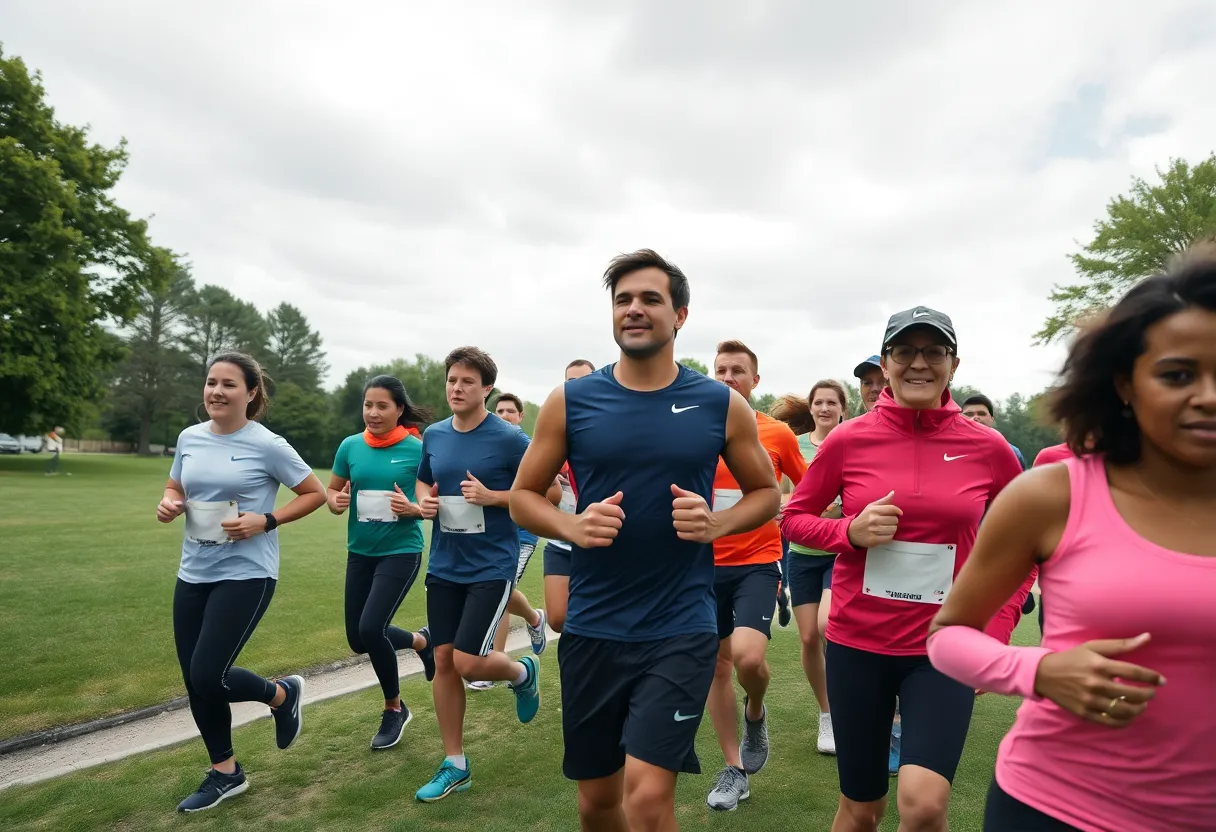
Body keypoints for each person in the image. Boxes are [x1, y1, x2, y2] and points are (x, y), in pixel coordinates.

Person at [927, 246, 1216, 831]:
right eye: (1178, 374)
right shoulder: (1051, 495)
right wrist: (1039, 671)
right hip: (1056, 808)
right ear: (1124, 385)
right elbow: (947, 636)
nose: (1208, 395)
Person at [510, 249, 781, 832]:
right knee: (597, 804)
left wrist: (716, 524)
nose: (634, 309)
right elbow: (523, 497)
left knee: (650, 797)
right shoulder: (571, 400)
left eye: (650, 299)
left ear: (680, 314)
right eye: (623, 300)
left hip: (679, 625)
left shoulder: (719, 402)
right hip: (593, 627)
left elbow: (767, 494)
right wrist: (572, 526)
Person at [780, 308, 1023, 832]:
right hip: (857, 648)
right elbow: (794, 519)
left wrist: (995, 630)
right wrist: (849, 532)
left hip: (941, 650)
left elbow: (1027, 546)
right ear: (885, 365)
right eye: (905, 352)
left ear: (953, 365)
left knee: (924, 804)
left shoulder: (989, 447)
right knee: (861, 808)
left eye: (933, 352)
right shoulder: (849, 440)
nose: (919, 363)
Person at [156, 353, 327, 813]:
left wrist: (266, 520)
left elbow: (316, 493)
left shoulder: (267, 444)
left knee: (208, 673)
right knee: (197, 682)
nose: (216, 391)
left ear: (251, 393)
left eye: (228, 384)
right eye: (211, 382)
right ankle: (226, 773)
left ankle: (281, 694)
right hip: (193, 572)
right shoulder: (189, 438)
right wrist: (170, 502)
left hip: (247, 574)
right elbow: (176, 486)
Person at [412, 346, 557, 803]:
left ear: (487, 389)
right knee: (443, 662)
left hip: (491, 566)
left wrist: (494, 496)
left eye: (467, 382)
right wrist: (425, 502)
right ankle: (455, 763)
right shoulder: (434, 435)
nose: (457, 388)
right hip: (444, 564)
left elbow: (549, 490)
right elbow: (423, 479)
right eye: (452, 380)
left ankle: (520, 672)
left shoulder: (510, 438)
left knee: (469, 662)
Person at [704, 339, 807, 811]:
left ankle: (756, 710)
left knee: (748, 659)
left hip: (757, 563)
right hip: (701, 566)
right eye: (721, 369)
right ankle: (734, 770)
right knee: (717, 666)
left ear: (754, 380)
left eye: (738, 371)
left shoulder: (777, 433)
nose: (728, 377)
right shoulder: (694, 429)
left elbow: (808, 489)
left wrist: (783, 504)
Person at [326, 375, 437, 749]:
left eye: (382, 406)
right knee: (358, 639)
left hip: (401, 550)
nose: (372, 413)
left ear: (399, 409)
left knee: (372, 628)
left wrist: (415, 510)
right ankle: (422, 642)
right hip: (359, 552)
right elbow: (333, 488)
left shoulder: (418, 450)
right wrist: (335, 500)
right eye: (368, 405)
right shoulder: (350, 446)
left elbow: (436, 502)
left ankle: (394, 708)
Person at [771, 380, 849, 757]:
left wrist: (838, 510)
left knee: (826, 625)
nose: (823, 408)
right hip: (802, 553)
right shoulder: (796, 444)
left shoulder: (851, 443)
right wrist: (802, 506)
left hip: (840, 552)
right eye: (818, 402)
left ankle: (852, 701)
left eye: (831, 402)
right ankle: (828, 714)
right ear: (812, 408)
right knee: (807, 639)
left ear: (842, 409)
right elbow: (781, 495)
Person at [462, 391, 549, 691]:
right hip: (486, 535)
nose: (504, 415)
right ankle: (535, 619)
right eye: (499, 410)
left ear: (521, 416)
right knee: (501, 591)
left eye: (510, 411)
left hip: (521, 534)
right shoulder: (484, 445)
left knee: (500, 592)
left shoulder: (523, 447)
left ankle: (492, 660)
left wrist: (493, 496)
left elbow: (546, 492)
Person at [541, 358, 596, 634]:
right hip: (561, 542)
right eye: (569, 382)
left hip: (599, 541)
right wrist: (550, 477)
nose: (575, 388)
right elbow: (537, 494)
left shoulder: (605, 427)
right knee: (558, 619)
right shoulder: (554, 428)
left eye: (583, 381)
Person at [961, 394, 1026, 469]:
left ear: (992, 420)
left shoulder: (1011, 452)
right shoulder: (949, 450)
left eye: (981, 414)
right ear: (959, 418)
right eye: (969, 414)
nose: (975, 417)